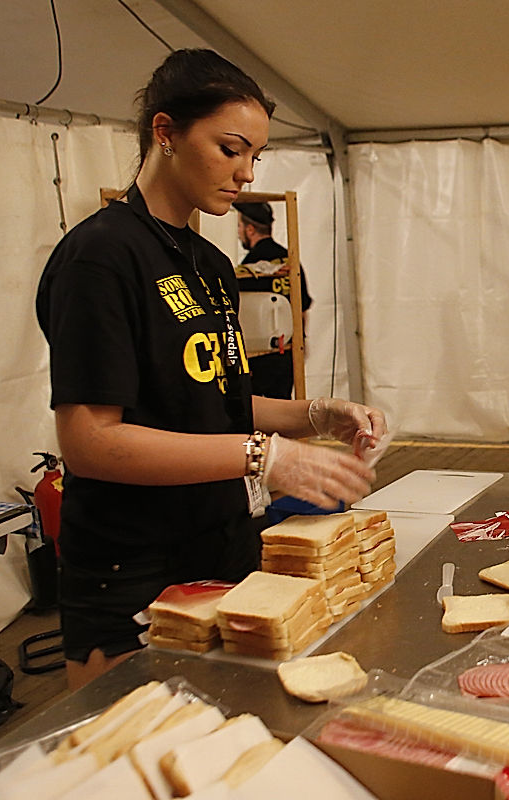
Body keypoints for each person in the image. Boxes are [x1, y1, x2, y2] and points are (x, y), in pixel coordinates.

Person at [35, 49, 386, 690]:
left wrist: (316, 416)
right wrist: (263, 457)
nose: (246, 173)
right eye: (230, 149)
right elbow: (89, 443)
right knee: (136, 756)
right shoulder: (101, 256)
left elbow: (216, 404)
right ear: (165, 133)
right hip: (131, 561)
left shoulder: (209, 263)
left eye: (255, 156)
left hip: (221, 540)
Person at [233, 200, 311, 399]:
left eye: (240, 227)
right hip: (288, 352)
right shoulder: (289, 259)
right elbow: (302, 307)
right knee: (284, 407)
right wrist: (300, 343)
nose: (238, 232)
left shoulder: (250, 265)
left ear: (250, 230)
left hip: (260, 354)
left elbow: (240, 312)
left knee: (260, 412)